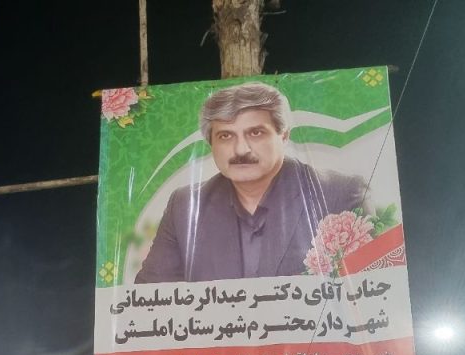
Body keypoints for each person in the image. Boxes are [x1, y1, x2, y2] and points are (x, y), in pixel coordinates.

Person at [134, 81, 369, 283]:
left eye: (255, 133)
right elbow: (150, 299)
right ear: (210, 143)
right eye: (226, 136)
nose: (241, 150)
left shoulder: (341, 194)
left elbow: (371, 292)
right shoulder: (185, 206)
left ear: (284, 135)